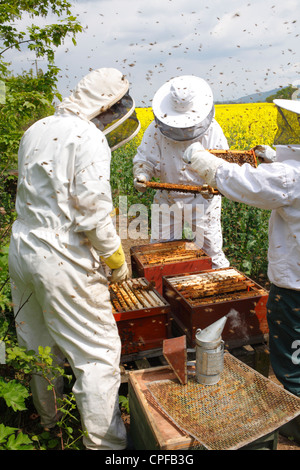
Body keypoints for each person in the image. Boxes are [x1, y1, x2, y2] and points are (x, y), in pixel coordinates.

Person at [8, 68, 139, 450]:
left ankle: (48, 422)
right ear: (106, 106)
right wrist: (115, 259)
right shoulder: (88, 139)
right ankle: (106, 446)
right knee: (97, 355)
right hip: (62, 258)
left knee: (38, 344)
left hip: (23, 249)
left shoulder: (37, 128)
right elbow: (93, 213)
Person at [182, 98, 300, 442]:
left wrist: (205, 162)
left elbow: (243, 184)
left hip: (294, 288)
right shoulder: (288, 171)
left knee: (292, 364)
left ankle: (293, 429)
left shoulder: (290, 176)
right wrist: (272, 160)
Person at [133, 75, 230, 269]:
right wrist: (142, 174)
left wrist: (212, 184)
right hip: (167, 199)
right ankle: (164, 295)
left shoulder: (213, 130)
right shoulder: (155, 129)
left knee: (211, 253)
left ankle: (220, 292)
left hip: (204, 200)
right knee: (160, 253)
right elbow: (146, 158)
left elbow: (223, 165)